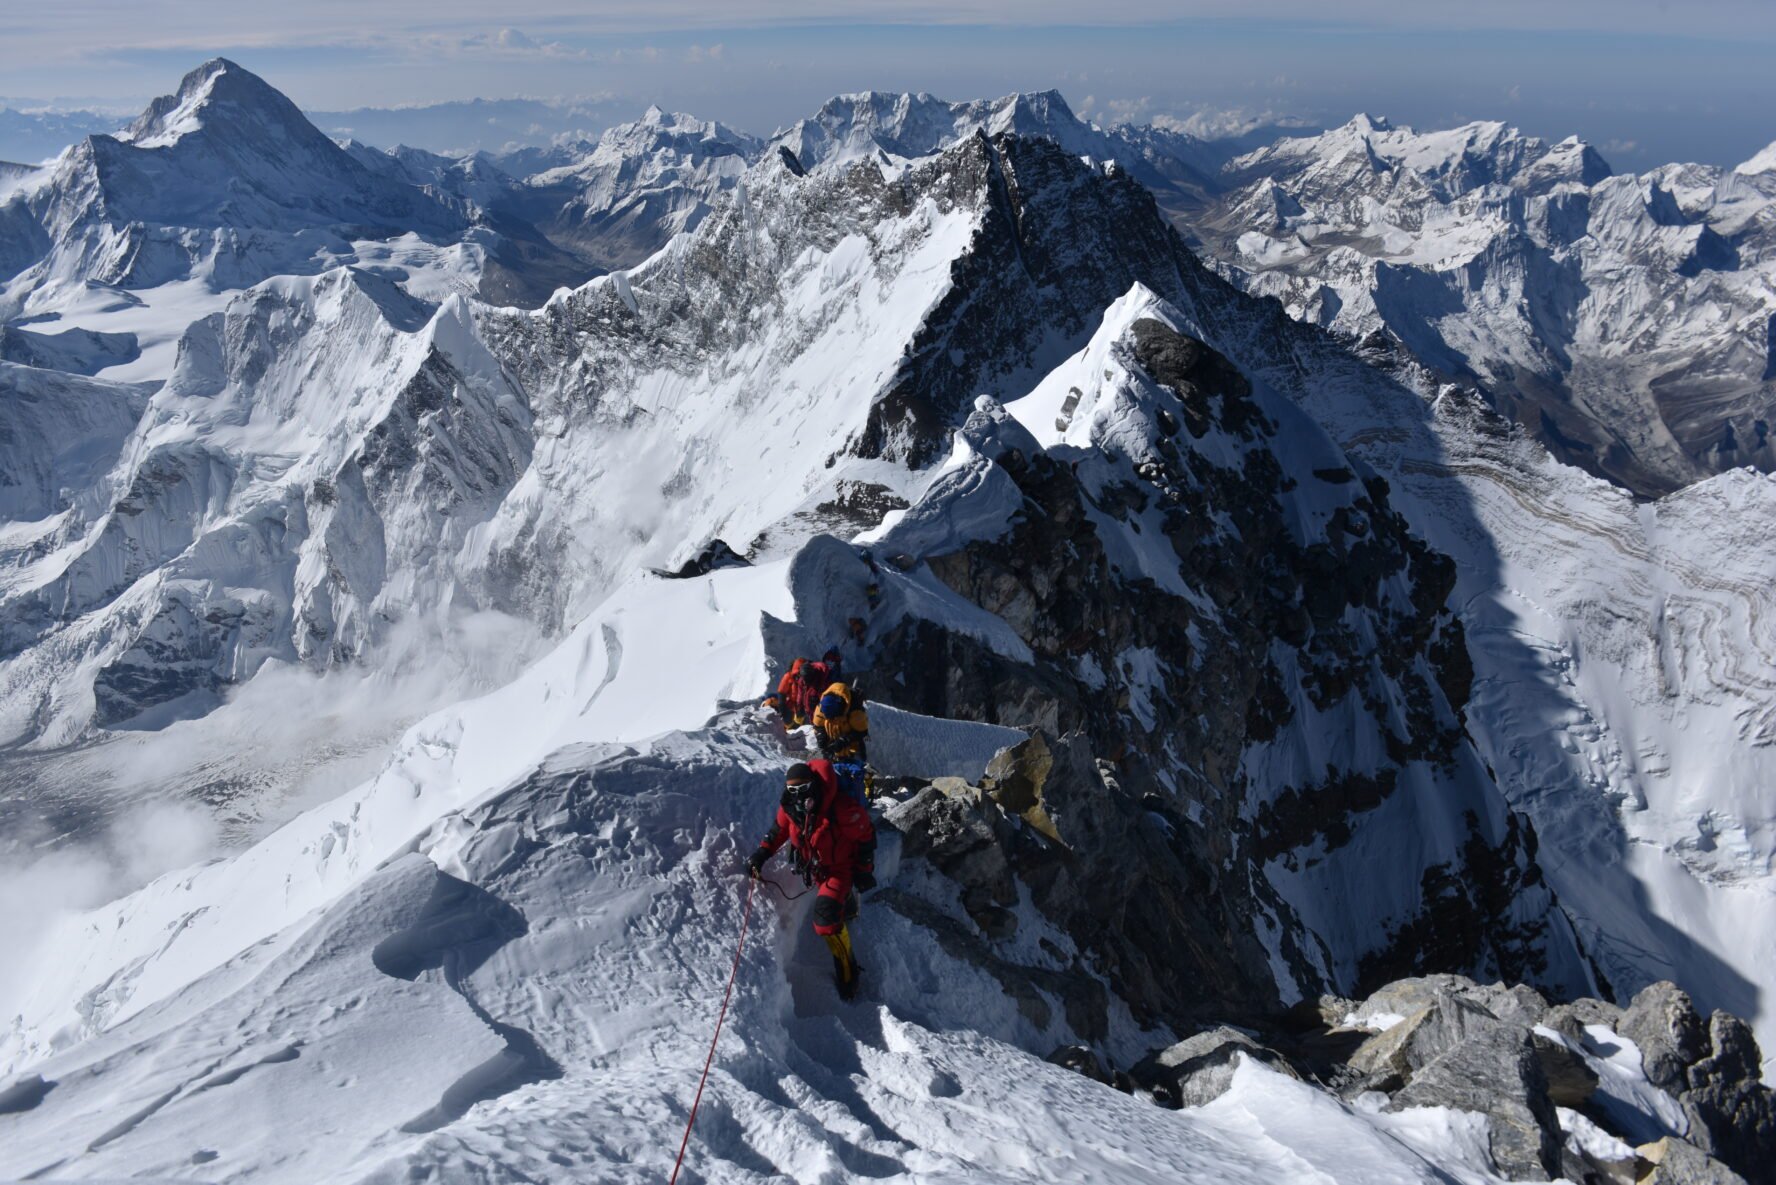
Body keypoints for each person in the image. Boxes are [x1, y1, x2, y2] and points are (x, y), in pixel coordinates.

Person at [747, 760, 877, 999]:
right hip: (817, 870)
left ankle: (849, 974)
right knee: (835, 903)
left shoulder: (840, 808)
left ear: (814, 784)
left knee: (826, 923)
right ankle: (848, 907)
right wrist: (760, 854)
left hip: (840, 869)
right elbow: (778, 832)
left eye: (803, 788)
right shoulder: (791, 809)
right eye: (792, 790)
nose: (798, 795)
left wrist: (864, 870)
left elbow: (866, 835)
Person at [812, 682, 868, 763]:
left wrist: (845, 739)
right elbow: (819, 726)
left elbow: (862, 732)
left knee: (860, 764)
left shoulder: (855, 711)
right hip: (833, 744)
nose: (832, 720)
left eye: (833, 718)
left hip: (853, 746)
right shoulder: (822, 708)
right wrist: (823, 744)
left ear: (840, 711)